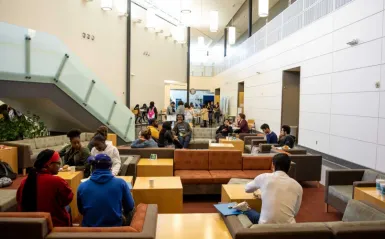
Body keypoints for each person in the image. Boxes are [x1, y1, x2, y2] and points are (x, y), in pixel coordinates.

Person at [234, 154, 302, 224]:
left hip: (265, 227)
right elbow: (294, 212)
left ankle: (246, 210)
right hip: (289, 229)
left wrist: (261, 191)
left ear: (273, 165)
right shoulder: (298, 186)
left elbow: (247, 189)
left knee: (245, 210)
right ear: (289, 167)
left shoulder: (264, 177)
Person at [16, 149, 73, 227]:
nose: (59, 166)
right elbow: (68, 199)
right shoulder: (57, 181)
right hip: (53, 224)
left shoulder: (25, 181)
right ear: (49, 164)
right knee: (68, 208)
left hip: (29, 226)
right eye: (58, 163)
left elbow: (19, 200)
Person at [77, 154, 135, 227]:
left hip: (90, 227)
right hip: (115, 227)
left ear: (93, 167)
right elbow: (129, 207)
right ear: (110, 167)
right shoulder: (121, 183)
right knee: (132, 206)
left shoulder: (82, 186)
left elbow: (81, 210)